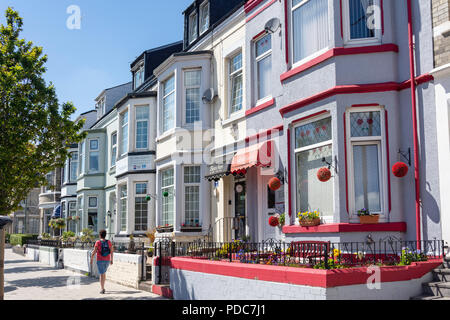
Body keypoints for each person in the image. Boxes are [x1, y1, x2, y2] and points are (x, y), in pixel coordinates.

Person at [90, 229, 114, 294]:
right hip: (107, 260)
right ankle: (103, 286)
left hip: (100, 260)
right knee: (104, 273)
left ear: (100, 235)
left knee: (101, 274)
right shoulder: (108, 242)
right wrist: (112, 259)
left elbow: (94, 251)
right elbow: (111, 250)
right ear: (105, 235)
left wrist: (91, 258)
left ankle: (102, 288)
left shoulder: (98, 242)